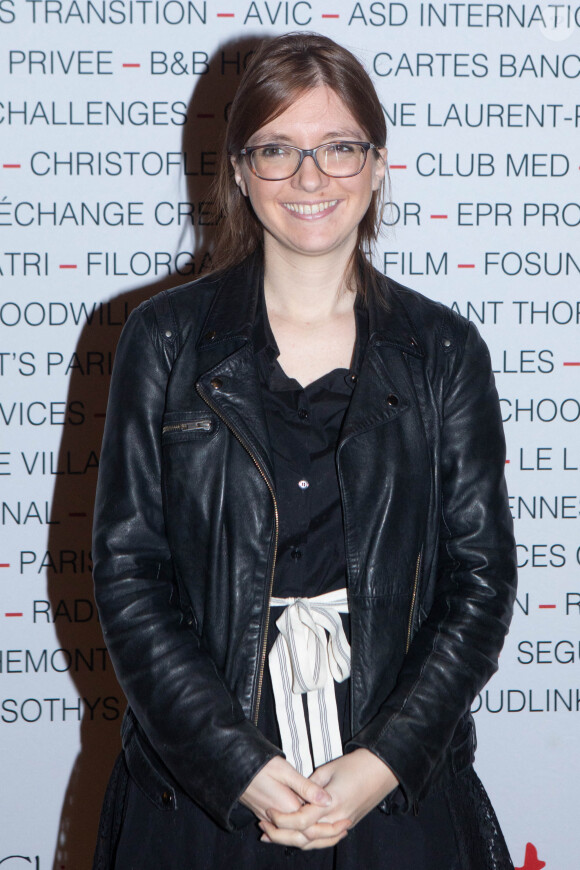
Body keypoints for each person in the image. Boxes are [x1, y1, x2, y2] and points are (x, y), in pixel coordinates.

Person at [92, 32, 517, 870]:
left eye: (339, 147)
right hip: (203, 800)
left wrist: (381, 763)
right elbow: (128, 577)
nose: (311, 177)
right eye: (278, 149)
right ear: (242, 172)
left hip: (393, 794)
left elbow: (480, 584)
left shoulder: (443, 352)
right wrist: (237, 765)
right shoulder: (165, 343)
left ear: (379, 163)